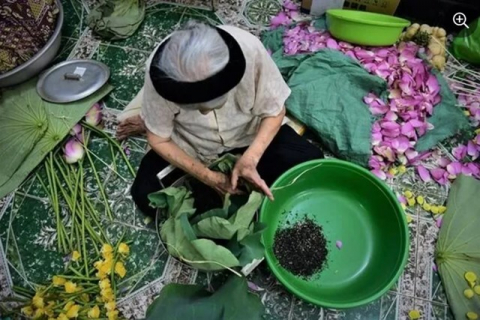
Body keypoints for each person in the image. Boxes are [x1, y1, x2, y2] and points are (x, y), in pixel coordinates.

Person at [116, 21, 323, 217]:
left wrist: (251, 158)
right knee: (145, 193)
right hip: (193, 147)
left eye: (211, 105)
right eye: (195, 108)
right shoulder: (161, 74)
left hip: (247, 136)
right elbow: (159, 139)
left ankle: (245, 177)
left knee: (310, 161)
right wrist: (208, 177)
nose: (204, 113)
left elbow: (275, 111)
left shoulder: (250, 51)